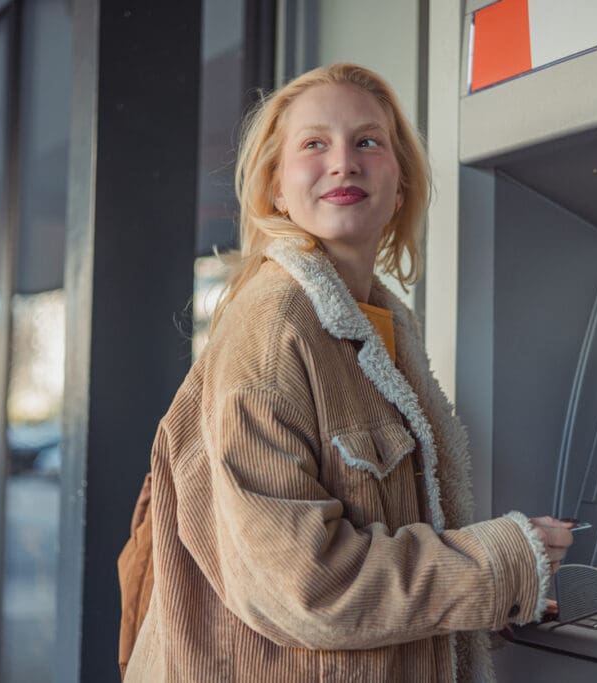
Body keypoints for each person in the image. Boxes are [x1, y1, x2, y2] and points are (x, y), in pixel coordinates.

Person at [121, 63, 573, 682]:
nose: (343, 162)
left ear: (401, 183)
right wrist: (499, 563)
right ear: (276, 186)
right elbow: (306, 585)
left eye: (368, 141)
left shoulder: (380, 321)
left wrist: (482, 599)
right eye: (314, 144)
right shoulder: (273, 325)